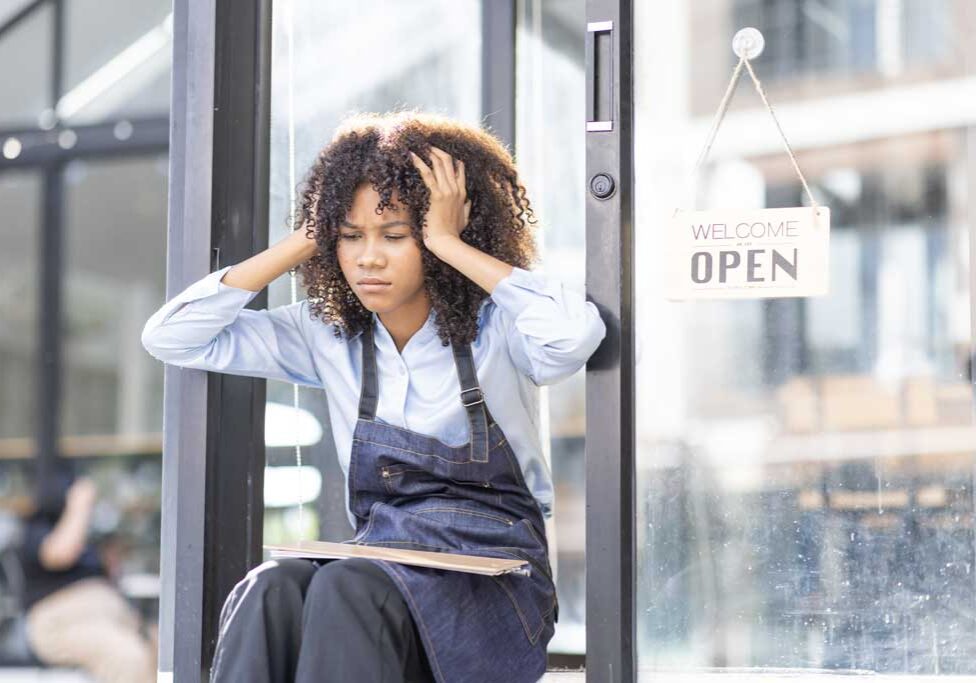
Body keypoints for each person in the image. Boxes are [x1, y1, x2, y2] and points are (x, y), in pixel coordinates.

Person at [141, 110, 606, 683]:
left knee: (347, 585)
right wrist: (307, 237)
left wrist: (448, 242)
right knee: (272, 586)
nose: (369, 258)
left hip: (495, 581)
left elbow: (574, 333)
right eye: (350, 237)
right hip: (381, 568)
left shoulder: (499, 326)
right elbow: (172, 337)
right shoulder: (328, 334)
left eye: (395, 236)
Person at [19, 467, 157, 682]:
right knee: (128, 658)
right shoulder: (36, 528)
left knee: (168, 650)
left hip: (110, 616)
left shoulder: (86, 536)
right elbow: (60, 553)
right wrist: (80, 505)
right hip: (61, 622)